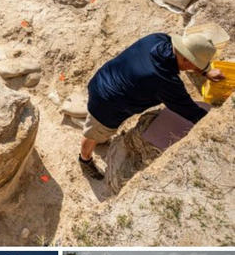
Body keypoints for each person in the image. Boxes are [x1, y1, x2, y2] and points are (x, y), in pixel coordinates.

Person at [79, 33, 224, 179]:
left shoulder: (159, 38)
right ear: (187, 59)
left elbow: (184, 60)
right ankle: (85, 160)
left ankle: (100, 139)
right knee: (94, 133)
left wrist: (206, 72)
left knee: (101, 133)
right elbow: (191, 111)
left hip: (105, 76)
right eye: (196, 64)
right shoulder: (164, 80)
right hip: (106, 102)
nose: (195, 68)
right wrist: (217, 124)